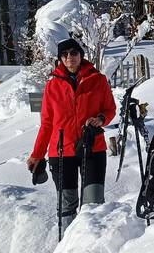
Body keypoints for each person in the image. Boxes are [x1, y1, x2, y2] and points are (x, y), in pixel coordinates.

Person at [27, 38, 117, 236]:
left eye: (74, 53)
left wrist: (101, 119)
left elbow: (110, 109)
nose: (70, 58)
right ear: (60, 59)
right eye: (64, 54)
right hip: (62, 151)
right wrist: (37, 155)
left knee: (93, 203)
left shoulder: (98, 80)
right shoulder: (52, 85)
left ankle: (91, 244)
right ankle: (68, 245)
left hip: (92, 148)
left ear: (81, 55)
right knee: (67, 205)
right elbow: (47, 124)